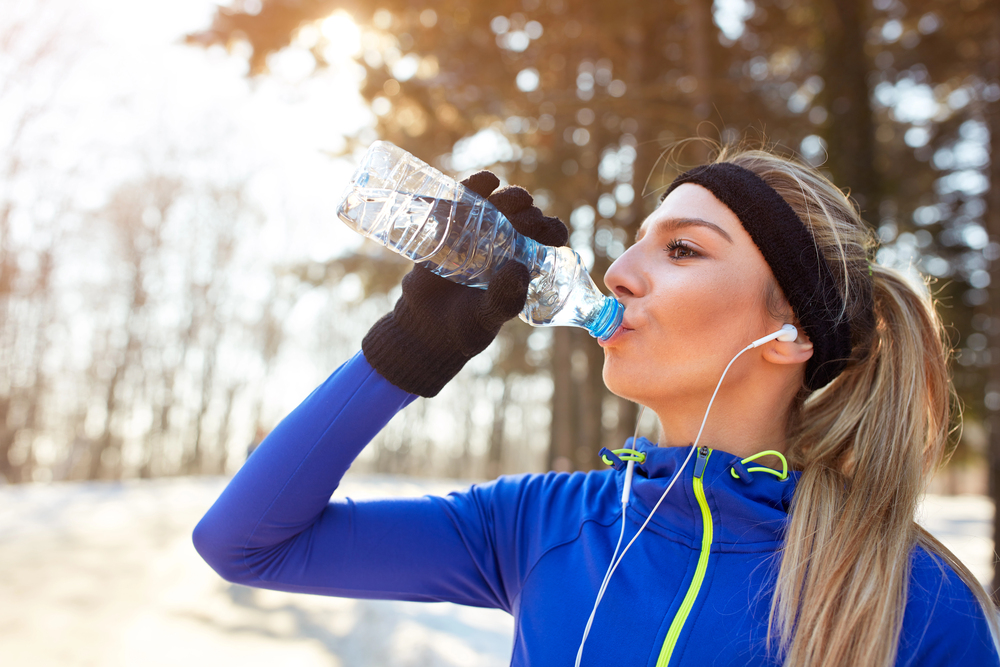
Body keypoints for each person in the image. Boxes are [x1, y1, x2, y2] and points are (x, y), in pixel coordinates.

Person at [193, 144, 1000, 666]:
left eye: (682, 248)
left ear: (787, 330)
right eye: (639, 240)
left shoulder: (914, 602)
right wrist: (405, 352)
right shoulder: (542, 525)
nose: (618, 271)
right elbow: (247, 543)